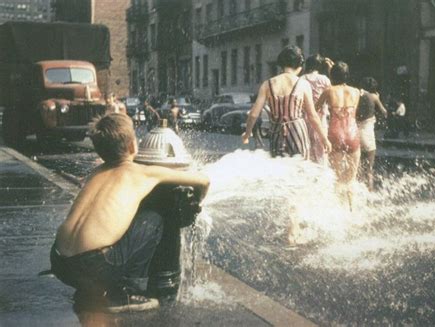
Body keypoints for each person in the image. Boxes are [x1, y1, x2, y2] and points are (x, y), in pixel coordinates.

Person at [49, 113, 210, 313]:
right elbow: (203, 180)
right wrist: (198, 201)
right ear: (133, 146)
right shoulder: (143, 173)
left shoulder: (95, 172)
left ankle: (89, 288)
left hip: (60, 263)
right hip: (93, 267)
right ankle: (127, 293)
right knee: (154, 218)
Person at [242, 45, 331, 244]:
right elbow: (313, 116)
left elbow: (254, 113)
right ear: (299, 65)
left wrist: (247, 133)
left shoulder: (268, 83)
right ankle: (293, 229)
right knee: (298, 181)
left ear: (281, 64)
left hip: (276, 133)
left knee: (283, 180)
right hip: (297, 132)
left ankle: (288, 223)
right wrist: (324, 138)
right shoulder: (302, 84)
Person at [316, 61, 360, 209]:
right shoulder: (356, 92)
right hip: (353, 134)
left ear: (331, 75)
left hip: (335, 134)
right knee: (351, 179)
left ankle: (338, 210)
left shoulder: (328, 91)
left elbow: (315, 110)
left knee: (338, 177)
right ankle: (352, 209)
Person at [356, 77, 388, 191]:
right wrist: (378, 99)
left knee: (356, 167)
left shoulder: (356, 95)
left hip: (355, 133)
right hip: (368, 134)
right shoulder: (373, 97)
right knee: (369, 170)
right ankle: (369, 192)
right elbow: (384, 112)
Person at [302, 54, 333, 163]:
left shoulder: (302, 79)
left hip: (305, 117)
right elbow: (332, 95)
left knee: (307, 148)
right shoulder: (324, 79)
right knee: (321, 148)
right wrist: (330, 69)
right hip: (321, 117)